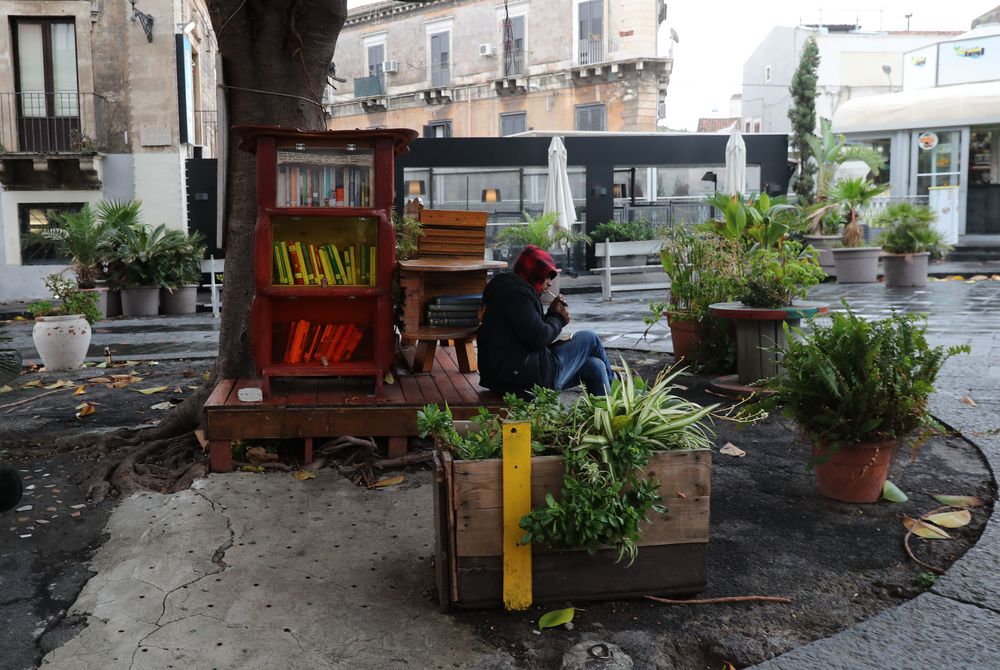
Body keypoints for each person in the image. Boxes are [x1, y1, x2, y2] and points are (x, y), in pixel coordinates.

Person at [478, 244, 614, 397]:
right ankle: (618, 394)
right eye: (546, 276)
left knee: (596, 366)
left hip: (512, 374)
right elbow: (538, 338)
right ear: (533, 273)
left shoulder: (512, 290)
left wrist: (551, 315)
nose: (549, 283)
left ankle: (605, 414)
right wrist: (558, 319)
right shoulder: (516, 295)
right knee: (590, 338)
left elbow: (529, 331)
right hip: (521, 379)